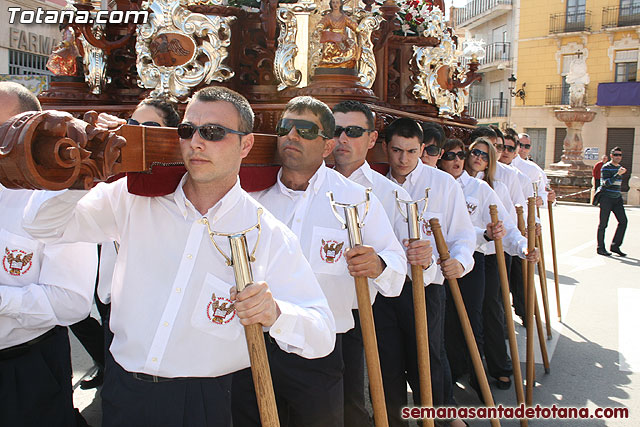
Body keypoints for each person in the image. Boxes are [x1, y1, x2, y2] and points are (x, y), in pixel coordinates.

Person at [22, 86, 336, 427]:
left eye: (213, 133)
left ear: (245, 145)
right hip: (126, 393)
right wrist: (82, 171)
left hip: (208, 402)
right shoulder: (131, 199)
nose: (196, 142)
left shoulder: (266, 232)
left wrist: (275, 312)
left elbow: (321, 334)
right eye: (187, 131)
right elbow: (42, 227)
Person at [0, 81, 98, 427]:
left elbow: (71, 302)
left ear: (31, 129)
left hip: (24, 369)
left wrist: (3, 300)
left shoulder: (55, 198)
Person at [331, 100, 435, 426]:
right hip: (316, 304)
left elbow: (414, 264)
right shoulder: (308, 184)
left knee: (357, 394)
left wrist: (418, 259)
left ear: (372, 139)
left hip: (368, 309)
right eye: (336, 131)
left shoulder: (390, 194)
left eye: (354, 131)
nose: (343, 139)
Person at [70, 99, 182, 390]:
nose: (138, 133)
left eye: (149, 128)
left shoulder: (178, 182)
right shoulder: (116, 173)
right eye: (133, 125)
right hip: (110, 288)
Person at [383, 117, 475, 426]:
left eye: (411, 151)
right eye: (396, 150)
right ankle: (393, 420)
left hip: (427, 284)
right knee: (388, 361)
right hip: (383, 288)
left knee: (429, 353)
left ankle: (441, 415)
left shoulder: (443, 184)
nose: (403, 159)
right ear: (386, 148)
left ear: (423, 149)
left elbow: (463, 235)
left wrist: (457, 261)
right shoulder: (376, 187)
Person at [597, 147, 628, 257]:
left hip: (617, 198)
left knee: (623, 221)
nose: (618, 157)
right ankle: (600, 248)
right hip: (606, 198)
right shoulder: (606, 167)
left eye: (620, 155)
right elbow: (606, 183)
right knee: (603, 224)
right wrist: (617, 174)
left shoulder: (620, 168)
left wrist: (619, 173)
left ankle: (615, 246)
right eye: (615, 154)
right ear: (611, 156)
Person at [314, 0, 360, 69]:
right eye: (333, 2)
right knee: (329, 47)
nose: (335, 5)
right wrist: (320, 27)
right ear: (331, 4)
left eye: (337, 2)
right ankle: (329, 62)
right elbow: (323, 23)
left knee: (352, 45)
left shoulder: (344, 17)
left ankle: (345, 61)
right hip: (332, 38)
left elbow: (352, 24)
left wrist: (359, 29)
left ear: (340, 4)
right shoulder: (329, 17)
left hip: (342, 39)